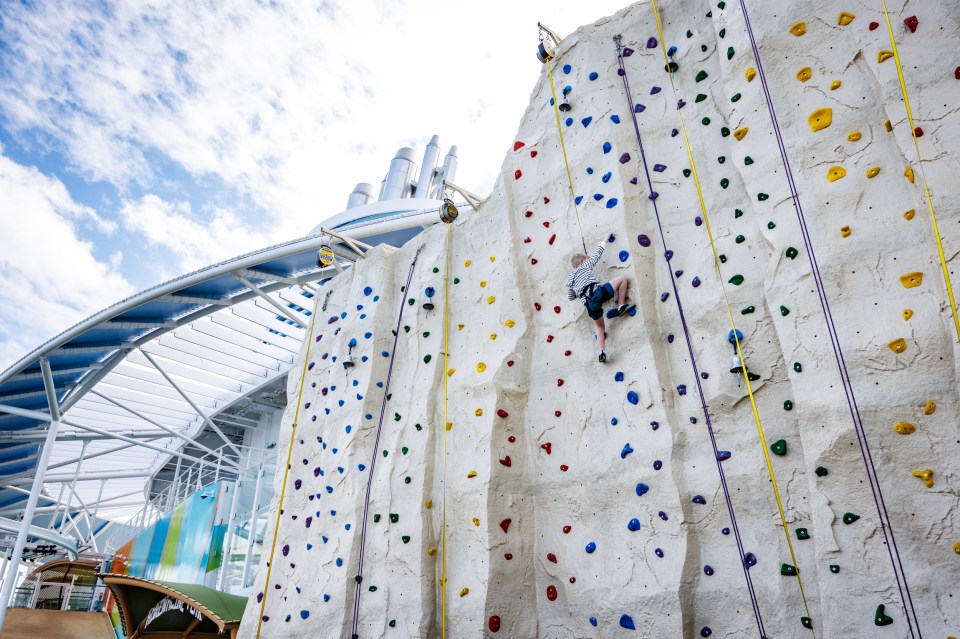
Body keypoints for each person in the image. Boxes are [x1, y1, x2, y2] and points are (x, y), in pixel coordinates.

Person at [566, 236, 635, 362]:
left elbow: (570, 297)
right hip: (597, 293)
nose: (588, 261)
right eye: (586, 259)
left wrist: (579, 290)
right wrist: (605, 239)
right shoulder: (584, 266)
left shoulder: (571, 280)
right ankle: (621, 306)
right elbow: (596, 255)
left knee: (600, 328)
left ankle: (602, 352)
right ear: (582, 261)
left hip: (589, 305)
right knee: (623, 278)